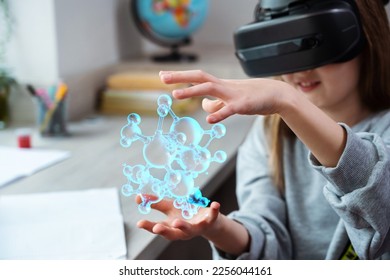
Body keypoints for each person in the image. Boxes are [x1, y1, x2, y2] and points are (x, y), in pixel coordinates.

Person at [136, 0, 390, 259]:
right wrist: (220, 229)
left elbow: (382, 214)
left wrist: (289, 101)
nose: (299, 69)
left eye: (313, 43)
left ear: (363, 34)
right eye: (286, 44)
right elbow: (267, 236)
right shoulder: (270, 132)